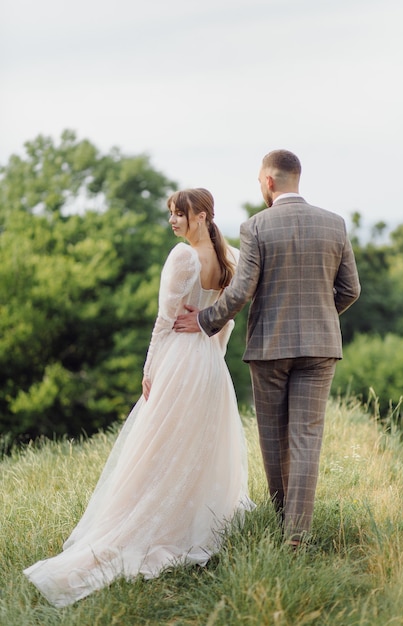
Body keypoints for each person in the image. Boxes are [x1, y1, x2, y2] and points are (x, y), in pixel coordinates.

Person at [24, 188, 253, 607]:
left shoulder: (182, 258)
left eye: (179, 214)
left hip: (180, 363)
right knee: (195, 447)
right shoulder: (230, 258)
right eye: (171, 214)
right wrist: (212, 356)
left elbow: (164, 321)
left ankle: (151, 523)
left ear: (201, 216)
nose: (173, 221)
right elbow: (226, 324)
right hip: (209, 366)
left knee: (160, 446)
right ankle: (187, 519)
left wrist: (150, 370)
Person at [174, 150, 361, 547]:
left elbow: (241, 292)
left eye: (260, 181)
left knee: (274, 438)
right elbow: (350, 290)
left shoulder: (255, 226)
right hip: (320, 346)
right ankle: (297, 534)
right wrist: (322, 317)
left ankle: (283, 521)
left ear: (270, 181)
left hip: (269, 347)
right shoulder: (335, 224)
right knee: (307, 437)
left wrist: (205, 320)